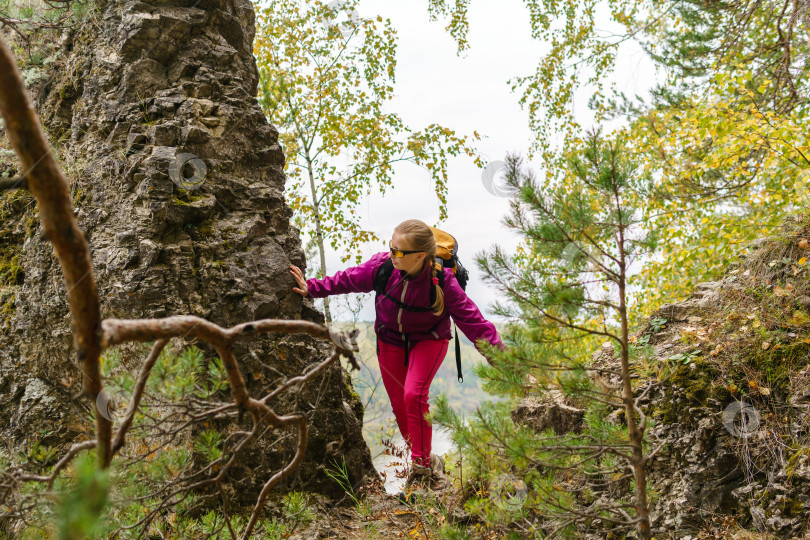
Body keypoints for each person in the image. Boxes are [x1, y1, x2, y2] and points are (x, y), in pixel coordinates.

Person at [289, 219, 505, 497]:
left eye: (399, 251)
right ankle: (427, 460)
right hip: (390, 339)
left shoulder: (442, 280)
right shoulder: (383, 268)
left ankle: (422, 472)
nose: (392, 254)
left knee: (414, 395)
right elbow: (349, 279)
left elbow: (474, 322)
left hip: (429, 339)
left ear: (419, 256)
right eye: (391, 247)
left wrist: (506, 363)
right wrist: (312, 288)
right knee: (401, 407)